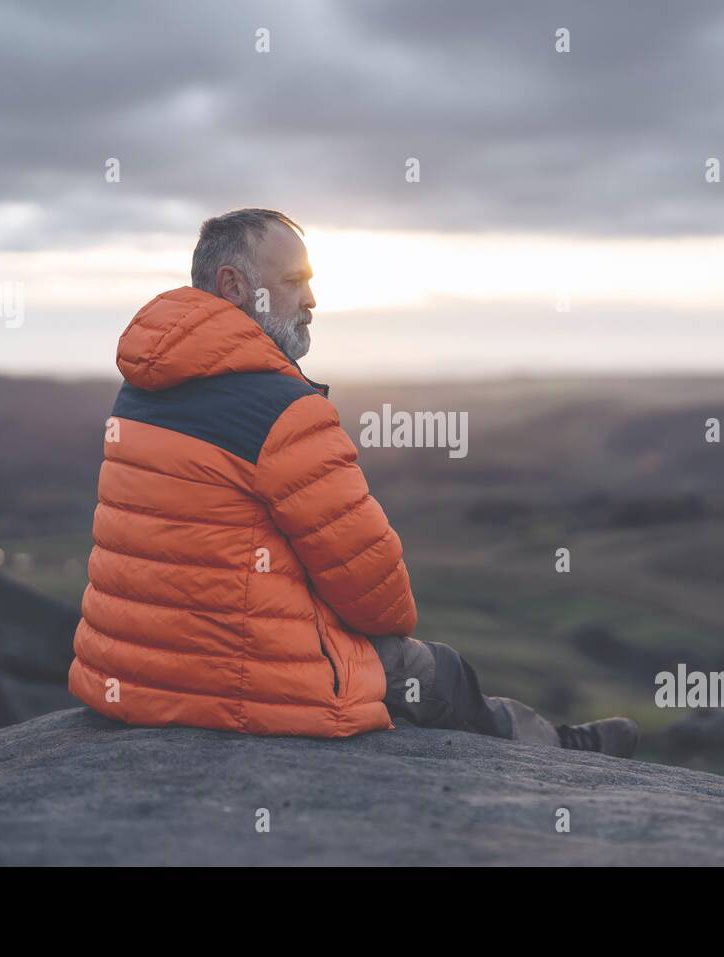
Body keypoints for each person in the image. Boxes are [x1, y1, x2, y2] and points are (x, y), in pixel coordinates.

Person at [66, 207, 638, 759]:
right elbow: (376, 593)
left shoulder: (141, 391)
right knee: (434, 670)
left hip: (130, 676)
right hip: (238, 685)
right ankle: (563, 754)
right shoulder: (280, 408)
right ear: (234, 286)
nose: (311, 301)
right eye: (294, 282)